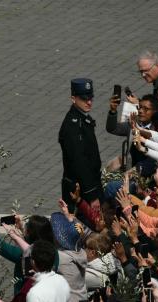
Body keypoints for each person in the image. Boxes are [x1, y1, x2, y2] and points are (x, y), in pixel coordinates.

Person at [58, 78, 102, 206]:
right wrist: (92, 195)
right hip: (79, 190)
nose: (89, 102)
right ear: (73, 98)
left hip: (89, 184)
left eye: (90, 98)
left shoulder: (83, 118)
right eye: (84, 99)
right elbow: (79, 162)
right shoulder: (72, 126)